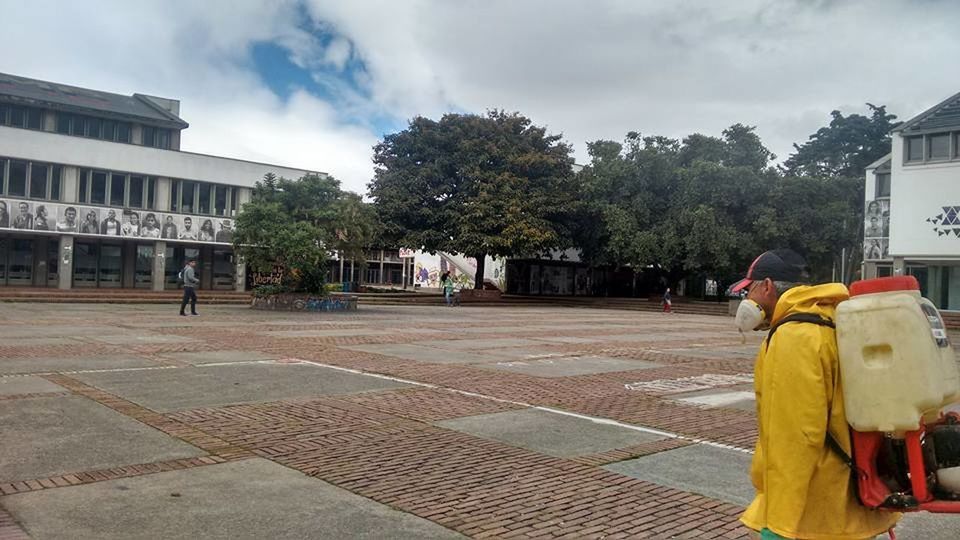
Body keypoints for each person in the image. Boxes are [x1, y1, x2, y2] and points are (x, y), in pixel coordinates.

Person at [731, 249, 900, 540]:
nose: (747, 300)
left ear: (768, 286)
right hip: (856, 499)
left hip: (815, 515)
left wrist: (780, 522)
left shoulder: (794, 336)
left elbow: (795, 437)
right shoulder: (837, 320)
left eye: (750, 290)